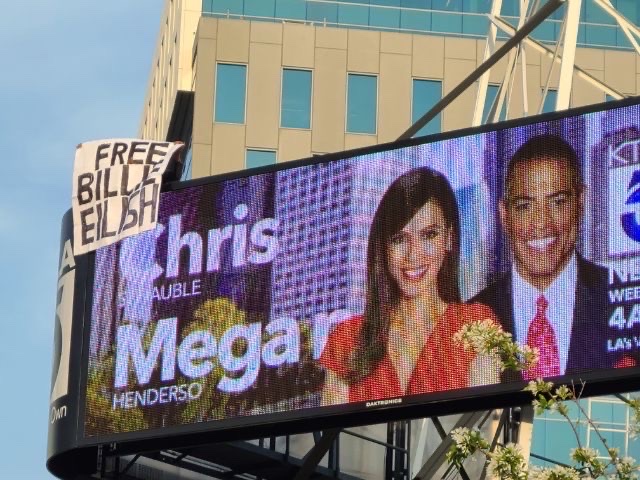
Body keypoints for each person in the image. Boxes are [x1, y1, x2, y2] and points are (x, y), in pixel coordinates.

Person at [320, 167, 501, 405]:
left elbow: (481, 427)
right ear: (384, 248)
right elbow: (332, 438)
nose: (413, 254)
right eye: (399, 239)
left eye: (429, 235)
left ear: (449, 238)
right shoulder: (346, 339)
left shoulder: (476, 324)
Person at [473, 134, 615, 379]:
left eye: (557, 202)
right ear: (504, 215)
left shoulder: (621, 299)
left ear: (581, 202)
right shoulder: (473, 317)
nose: (541, 223)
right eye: (524, 206)